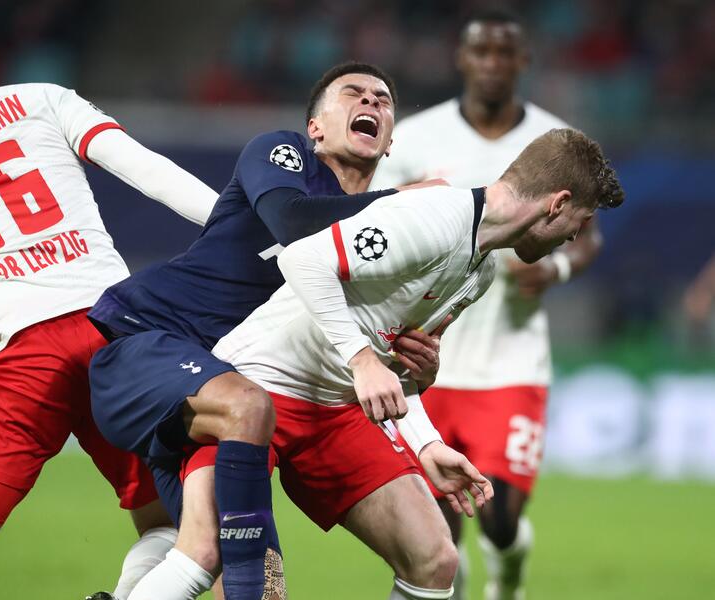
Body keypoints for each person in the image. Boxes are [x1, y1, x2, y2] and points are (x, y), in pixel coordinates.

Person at [203, 127, 624, 600]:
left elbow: (396, 365)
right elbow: (302, 260)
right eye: (580, 221)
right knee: (244, 581)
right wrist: (362, 359)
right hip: (254, 390)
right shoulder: (435, 216)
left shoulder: (481, 271)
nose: (574, 236)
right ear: (558, 203)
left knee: (436, 560)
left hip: (334, 411)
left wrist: (425, 443)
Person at [86, 62, 442, 600]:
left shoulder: (386, 242)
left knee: (235, 569)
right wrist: (401, 201)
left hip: (241, 390)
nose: (371, 101)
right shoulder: (282, 152)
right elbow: (292, 221)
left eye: (383, 99)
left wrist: (417, 372)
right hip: (152, 343)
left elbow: (368, 351)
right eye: (354, 93)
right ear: (315, 127)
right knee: (239, 541)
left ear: (390, 142)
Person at [0, 12, 220, 600]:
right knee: (174, 526)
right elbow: (151, 173)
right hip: (116, 333)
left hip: (18, 354)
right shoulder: (40, 98)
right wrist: (248, 236)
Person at [370, 9, 605, 599]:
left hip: (511, 361)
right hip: (424, 358)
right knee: (440, 523)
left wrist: (554, 267)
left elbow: (590, 237)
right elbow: (380, 219)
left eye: (505, 53)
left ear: (522, 61)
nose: (493, 64)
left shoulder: (557, 141)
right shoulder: (416, 139)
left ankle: (509, 572)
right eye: (482, 51)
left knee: (499, 519)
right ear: (463, 58)